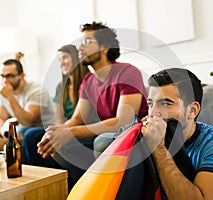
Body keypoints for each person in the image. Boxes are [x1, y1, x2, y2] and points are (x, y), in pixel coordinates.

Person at [37, 21, 148, 189]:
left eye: (87, 42)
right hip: (108, 135)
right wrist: (56, 132)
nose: (80, 47)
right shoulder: (88, 81)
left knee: (101, 142)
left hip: (134, 135)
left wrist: (70, 132)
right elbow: (76, 119)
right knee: (58, 144)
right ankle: (90, 187)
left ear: (104, 48)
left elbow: (124, 122)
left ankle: (98, 188)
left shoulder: (128, 72)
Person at [141, 68, 213, 199]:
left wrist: (158, 149)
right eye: (150, 104)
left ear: (193, 110)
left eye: (165, 104)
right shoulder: (151, 136)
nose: (153, 114)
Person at [23, 44, 90, 166]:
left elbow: (78, 120)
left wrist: (57, 133)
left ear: (76, 58)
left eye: (65, 58)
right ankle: (42, 178)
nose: (61, 63)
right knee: (30, 135)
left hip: (81, 129)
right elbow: (59, 120)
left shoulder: (88, 83)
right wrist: (54, 131)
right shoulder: (61, 87)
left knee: (56, 142)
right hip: (65, 126)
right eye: (59, 60)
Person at [0, 59, 55, 156]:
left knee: (20, 132)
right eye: (2, 76)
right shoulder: (5, 89)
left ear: (22, 76)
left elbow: (28, 121)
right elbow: (1, 117)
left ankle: (23, 169)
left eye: (9, 76)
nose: (5, 80)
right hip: (21, 128)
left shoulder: (37, 90)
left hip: (42, 128)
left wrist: (10, 97)